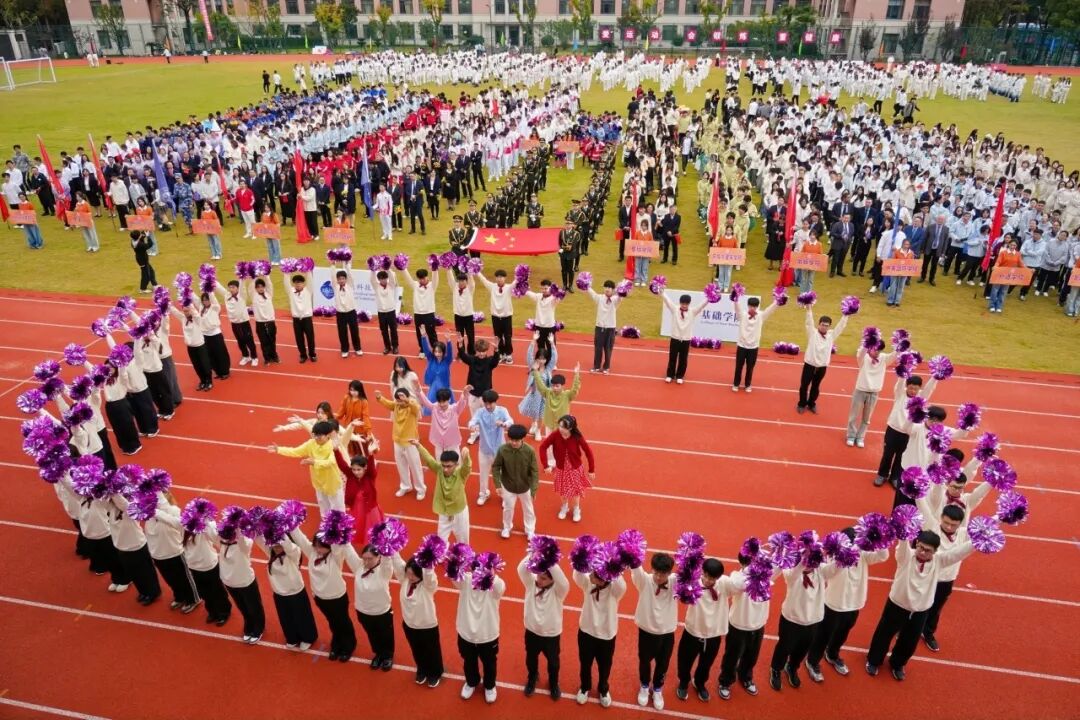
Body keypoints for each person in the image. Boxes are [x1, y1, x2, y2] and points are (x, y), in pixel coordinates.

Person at [865, 530, 974, 681]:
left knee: (910, 640)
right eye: (920, 547)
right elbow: (902, 543)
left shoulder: (939, 561)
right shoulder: (905, 557)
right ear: (916, 544)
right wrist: (903, 530)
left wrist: (978, 540)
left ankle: (898, 664)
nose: (922, 552)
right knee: (884, 634)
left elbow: (959, 553)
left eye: (927, 550)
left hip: (921, 610)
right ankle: (874, 660)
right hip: (897, 605)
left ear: (935, 551)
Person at [806, 528, 890, 678]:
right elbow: (828, 574)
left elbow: (883, 556)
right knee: (823, 635)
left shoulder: (863, 554)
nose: (852, 549)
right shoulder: (833, 557)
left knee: (842, 634)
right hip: (833, 604)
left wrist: (878, 539)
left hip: (854, 604)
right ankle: (812, 661)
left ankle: (832, 655)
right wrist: (842, 559)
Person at [769, 551, 838, 691]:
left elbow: (835, 569)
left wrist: (844, 554)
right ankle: (776, 669)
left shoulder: (821, 570)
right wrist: (804, 559)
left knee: (803, 649)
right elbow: (793, 574)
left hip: (813, 620)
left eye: (812, 561)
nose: (810, 565)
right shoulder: (792, 571)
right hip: (791, 619)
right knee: (784, 647)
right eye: (808, 561)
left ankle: (792, 667)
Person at [675, 558, 737, 702]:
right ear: (702, 572)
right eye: (706, 576)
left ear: (719, 577)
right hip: (693, 631)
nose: (708, 581)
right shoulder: (692, 582)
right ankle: (683, 682)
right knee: (685, 660)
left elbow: (741, 584)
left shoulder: (724, 583)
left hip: (713, 634)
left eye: (713, 578)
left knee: (706, 663)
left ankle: (700, 683)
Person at [718, 551, 776, 699]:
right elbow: (740, 585)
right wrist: (753, 570)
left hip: (758, 625)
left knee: (751, 656)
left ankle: (745, 677)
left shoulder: (765, 574)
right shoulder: (737, 577)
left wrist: (781, 550)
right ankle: (725, 681)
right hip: (739, 626)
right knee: (732, 657)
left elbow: (779, 566)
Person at [254, 530, 319, 651]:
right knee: (285, 617)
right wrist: (253, 526)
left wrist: (280, 530)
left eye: (279, 545)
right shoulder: (271, 552)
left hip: (296, 592)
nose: (277, 548)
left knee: (302, 616)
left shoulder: (294, 554)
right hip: (279, 593)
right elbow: (258, 539)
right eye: (274, 545)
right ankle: (292, 637)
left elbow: (289, 546)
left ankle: (308, 638)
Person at [573, 561, 626, 708]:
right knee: (585, 664)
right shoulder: (587, 583)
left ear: (603, 579)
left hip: (607, 636)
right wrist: (586, 557)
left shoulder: (615, 590)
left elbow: (621, 583)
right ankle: (585, 687)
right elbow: (577, 573)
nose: (590, 575)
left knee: (605, 667)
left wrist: (612, 565)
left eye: (594, 575)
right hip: (586, 632)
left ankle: (603, 689)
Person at [453, 555, 506, 703]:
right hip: (466, 633)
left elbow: (500, 588)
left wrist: (491, 574)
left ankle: (489, 686)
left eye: (483, 570)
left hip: (488, 635)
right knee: (469, 661)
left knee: (489, 664)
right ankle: (471, 682)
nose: (479, 574)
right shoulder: (465, 581)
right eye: (476, 570)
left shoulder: (495, 586)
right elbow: (454, 575)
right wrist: (456, 559)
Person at [518, 550, 569, 701]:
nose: (539, 580)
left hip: (551, 635)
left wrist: (549, 558)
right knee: (531, 659)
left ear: (553, 580)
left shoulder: (559, 591)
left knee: (553, 663)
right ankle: (532, 677)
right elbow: (521, 569)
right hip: (531, 631)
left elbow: (563, 580)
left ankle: (553, 683)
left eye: (544, 578)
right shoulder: (531, 584)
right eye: (538, 575)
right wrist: (535, 552)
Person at [266, 421, 345, 516]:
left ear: (328, 435)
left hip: (332, 484)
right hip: (319, 484)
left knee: (338, 512)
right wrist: (279, 449)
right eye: (315, 435)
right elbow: (295, 451)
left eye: (319, 436)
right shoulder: (311, 444)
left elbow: (330, 462)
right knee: (324, 511)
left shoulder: (333, 446)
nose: (316, 438)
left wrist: (314, 462)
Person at [873, 372, 936, 487]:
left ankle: (895, 477)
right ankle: (882, 474)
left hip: (908, 433)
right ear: (907, 386)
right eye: (911, 388)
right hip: (893, 429)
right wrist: (904, 370)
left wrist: (935, 377)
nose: (913, 391)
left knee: (901, 456)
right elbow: (900, 383)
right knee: (888, 454)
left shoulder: (921, 398)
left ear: (920, 388)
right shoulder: (900, 394)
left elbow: (929, 389)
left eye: (916, 389)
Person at [632, 553, 678, 711]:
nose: (658, 577)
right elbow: (636, 567)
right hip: (646, 632)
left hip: (667, 633)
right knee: (644, 661)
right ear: (651, 569)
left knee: (663, 664)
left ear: (670, 573)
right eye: (656, 572)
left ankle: (657, 688)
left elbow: (690, 573)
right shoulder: (644, 580)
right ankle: (644, 685)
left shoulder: (676, 582)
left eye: (663, 574)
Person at [211, 513, 266, 644]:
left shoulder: (245, 543)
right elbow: (210, 532)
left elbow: (242, 541)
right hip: (229, 582)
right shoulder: (222, 542)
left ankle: (259, 627)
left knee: (254, 607)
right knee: (242, 607)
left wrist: (238, 526)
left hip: (245, 581)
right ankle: (248, 624)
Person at [394, 554, 443, 687]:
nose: (410, 577)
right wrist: (392, 549)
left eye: (414, 574)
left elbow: (430, 577)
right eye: (408, 573)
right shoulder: (404, 580)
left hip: (427, 626)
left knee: (432, 651)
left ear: (421, 574)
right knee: (416, 649)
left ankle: (435, 672)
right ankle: (422, 668)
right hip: (409, 625)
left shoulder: (428, 586)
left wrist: (428, 565)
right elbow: (397, 562)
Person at [538, 414, 595, 523]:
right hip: (561, 468)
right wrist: (545, 465)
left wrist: (591, 469)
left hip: (575, 469)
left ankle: (576, 509)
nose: (560, 429)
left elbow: (588, 452)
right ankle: (565, 506)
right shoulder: (555, 435)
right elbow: (543, 447)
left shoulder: (577, 437)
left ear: (570, 428)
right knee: (563, 491)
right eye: (559, 426)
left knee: (576, 491)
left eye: (563, 427)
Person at [353, 543, 399, 670]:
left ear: (379, 557)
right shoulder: (358, 566)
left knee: (386, 635)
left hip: (381, 612)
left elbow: (387, 561)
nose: (366, 562)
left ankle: (388, 656)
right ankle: (378, 654)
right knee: (372, 635)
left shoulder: (384, 571)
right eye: (364, 558)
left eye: (370, 558)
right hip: (363, 611)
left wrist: (386, 547)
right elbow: (347, 549)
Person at [414, 441, 471, 543]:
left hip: (459, 513)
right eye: (443, 465)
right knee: (440, 542)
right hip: (444, 512)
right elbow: (429, 459)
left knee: (463, 542)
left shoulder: (461, 474)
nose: (445, 469)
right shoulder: (439, 470)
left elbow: (467, 467)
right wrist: (418, 445)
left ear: (456, 465)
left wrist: (466, 457)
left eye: (449, 466)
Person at [796, 306, 849, 414]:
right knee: (804, 385)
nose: (824, 327)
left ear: (829, 327)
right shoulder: (812, 333)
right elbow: (809, 322)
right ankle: (801, 404)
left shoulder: (831, 336)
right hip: (809, 365)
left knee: (816, 386)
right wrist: (809, 309)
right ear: (818, 324)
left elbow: (840, 327)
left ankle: (811, 403)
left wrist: (846, 315)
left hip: (822, 367)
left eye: (826, 326)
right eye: (822, 325)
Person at [376, 388, 425, 500]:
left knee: (415, 466)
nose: (400, 402)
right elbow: (388, 404)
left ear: (407, 398)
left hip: (410, 442)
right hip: (397, 441)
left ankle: (420, 489)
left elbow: (417, 408)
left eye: (402, 400)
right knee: (401, 465)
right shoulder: (396, 405)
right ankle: (406, 486)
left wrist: (406, 401)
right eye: (398, 400)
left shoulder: (412, 406)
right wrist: (379, 397)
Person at [493, 424, 540, 540]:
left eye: (516, 440)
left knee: (529, 509)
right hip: (508, 486)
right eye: (511, 440)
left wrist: (534, 489)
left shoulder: (529, 451)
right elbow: (496, 467)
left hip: (525, 487)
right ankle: (507, 527)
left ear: (523, 438)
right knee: (508, 508)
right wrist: (498, 485)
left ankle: (530, 530)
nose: (513, 443)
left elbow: (534, 470)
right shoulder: (502, 450)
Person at [467, 389, 513, 508]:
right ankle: (483, 494)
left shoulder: (502, 411)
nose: (487, 406)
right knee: (483, 474)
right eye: (486, 403)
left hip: (500, 450)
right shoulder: (480, 412)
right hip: (484, 449)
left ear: (495, 401)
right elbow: (472, 421)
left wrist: (503, 424)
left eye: (490, 403)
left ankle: (504, 495)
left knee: (502, 474)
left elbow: (510, 421)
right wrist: (472, 426)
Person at [847, 338, 894, 447]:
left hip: (874, 393)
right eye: (875, 349)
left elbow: (894, 355)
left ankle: (860, 437)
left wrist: (901, 344)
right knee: (854, 415)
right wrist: (868, 341)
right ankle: (851, 435)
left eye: (879, 350)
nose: (877, 352)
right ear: (870, 347)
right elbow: (861, 353)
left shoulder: (884, 358)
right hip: (860, 390)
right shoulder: (863, 358)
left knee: (866, 418)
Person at [456, 336, 501, 445]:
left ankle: (488, 433)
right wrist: (460, 344)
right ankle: (475, 433)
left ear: (487, 350)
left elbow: (495, 361)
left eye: (484, 351)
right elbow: (463, 356)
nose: (481, 353)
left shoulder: (489, 361)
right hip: (473, 393)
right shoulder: (472, 360)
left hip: (486, 394)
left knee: (488, 414)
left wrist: (496, 350)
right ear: (476, 351)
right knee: (474, 414)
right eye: (479, 351)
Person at [732, 295, 779, 392]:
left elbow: (770, 310)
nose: (752, 308)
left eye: (754, 306)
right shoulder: (742, 315)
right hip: (742, 346)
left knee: (750, 368)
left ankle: (748, 384)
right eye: (750, 306)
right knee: (739, 367)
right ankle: (736, 384)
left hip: (753, 347)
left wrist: (777, 301)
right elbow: (737, 307)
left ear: (757, 307)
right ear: (748, 306)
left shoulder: (761, 316)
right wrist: (735, 299)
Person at [659, 292, 709, 384]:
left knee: (683, 359)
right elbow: (667, 300)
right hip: (675, 338)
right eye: (683, 303)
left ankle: (680, 376)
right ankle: (670, 375)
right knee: (672, 357)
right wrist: (661, 291)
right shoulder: (675, 309)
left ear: (689, 304)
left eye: (686, 304)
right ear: (680, 303)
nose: (684, 306)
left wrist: (709, 298)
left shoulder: (692, 312)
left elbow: (701, 306)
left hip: (686, 339)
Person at [519, 339, 557, 440]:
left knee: (542, 414)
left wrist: (552, 344)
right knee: (534, 411)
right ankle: (533, 424)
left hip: (545, 395)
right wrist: (533, 341)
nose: (541, 361)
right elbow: (528, 355)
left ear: (546, 359)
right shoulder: (533, 366)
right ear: (537, 358)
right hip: (534, 393)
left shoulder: (548, 369)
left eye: (543, 359)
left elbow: (554, 358)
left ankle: (538, 430)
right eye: (539, 358)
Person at [477, 269, 515, 363]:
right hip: (495, 317)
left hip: (506, 317)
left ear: (505, 278)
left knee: (508, 337)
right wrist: (477, 271)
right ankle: (500, 353)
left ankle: (508, 354)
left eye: (501, 277)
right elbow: (483, 280)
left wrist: (521, 274)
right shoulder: (492, 287)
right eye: (497, 277)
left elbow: (516, 281)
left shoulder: (509, 288)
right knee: (498, 337)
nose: (499, 279)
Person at [586, 279, 622, 373]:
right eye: (606, 287)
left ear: (613, 289)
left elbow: (621, 295)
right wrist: (586, 285)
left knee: (608, 348)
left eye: (609, 287)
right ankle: (596, 366)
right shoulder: (599, 298)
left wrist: (623, 287)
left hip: (610, 328)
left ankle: (606, 367)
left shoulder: (615, 299)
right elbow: (592, 293)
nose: (607, 289)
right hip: (599, 327)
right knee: (598, 348)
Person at [332, 262, 363, 358]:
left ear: (346, 279)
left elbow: (350, 274)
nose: (341, 280)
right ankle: (344, 349)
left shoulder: (350, 285)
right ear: (337, 280)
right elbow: (332, 275)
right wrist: (333, 264)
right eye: (339, 279)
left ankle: (357, 348)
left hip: (351, 312)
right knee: (342, 332)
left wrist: (348, 264)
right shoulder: (335, 287)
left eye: (343, 278)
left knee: (354, 331)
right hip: (340, 314)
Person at [285, 269, 317, 363]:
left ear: (303, 283)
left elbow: (310, 280)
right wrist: (286, 272)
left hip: (307, 319)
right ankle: (303, 355)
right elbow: (286, 283)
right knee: (299, 339)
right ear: (294, 284)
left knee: (310, 338)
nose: (298, 284)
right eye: (296, 283)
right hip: (296, 320)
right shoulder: (291, 292)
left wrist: (308, 270)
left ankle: (312, 354)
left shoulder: (308, 290)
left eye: (300, 283)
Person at [524, 280, 561, 355]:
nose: (543, 290)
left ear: (550, 288)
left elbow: (559, 298)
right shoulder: (538, 296)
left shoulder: (553, 298)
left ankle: (551, 360)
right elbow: (527, 292)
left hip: (549, 327)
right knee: (540, 346)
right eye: (542, 288)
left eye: (546, 288)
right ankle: (541, 360)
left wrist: (558, 293)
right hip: (539, 326)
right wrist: (522, 285)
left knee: (551, 346)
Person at [419, 336, 454, 416]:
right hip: (433, 386)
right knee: (430, 404)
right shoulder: (431, 358)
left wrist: (448, 341)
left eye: (440, 352)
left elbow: (450, 352)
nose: (437, 354)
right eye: (435, 352)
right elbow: (426, 349)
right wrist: (423, 337)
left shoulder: (447, 360)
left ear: (443, 352)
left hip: (445, 386)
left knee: (447, 408)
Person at [247, 275, 279, 364]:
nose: (260, 288)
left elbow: (269, 284)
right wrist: (255, 276)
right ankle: (267, 358)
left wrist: (266, 275)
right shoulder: (254, 296)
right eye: (258, 287)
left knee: (272, 340)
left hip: (270, 322)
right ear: (256, 288)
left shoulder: (269, 294)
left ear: (264, 287)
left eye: (262, 286)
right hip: (260, 323)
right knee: (263, 342)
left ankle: (274, 356)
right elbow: (250, 287)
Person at [989, 236, 1024, 313]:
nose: (1012, 246)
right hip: (1000, 274)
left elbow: (1021, 264)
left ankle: (999, 306)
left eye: (1014, 245)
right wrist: (996, 266)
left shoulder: (1018, 254)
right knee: (995, 290)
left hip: (1009, 276)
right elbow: (998, 261)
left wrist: (1028, 270)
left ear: (1016, 246)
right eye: (1011, 245)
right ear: (1009, 244)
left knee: (1003, 291)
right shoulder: (1003, 252)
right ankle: (992, 305)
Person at [408, 268, 439, 354]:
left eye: (423, 278)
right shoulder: (415, 285)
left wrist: (435, 268)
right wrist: (403, 268)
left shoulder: (432, 285)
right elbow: (407, 278)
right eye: (420, 279)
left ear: (427, 277)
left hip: (429, 313)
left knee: (431, 333)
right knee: (419, 333)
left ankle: (436, 349)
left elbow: (435, 277)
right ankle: (422, 349)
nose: (422, 280)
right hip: (418, 314)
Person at [449, 270, 477, 355]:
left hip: (468, 316)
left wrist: (469, 271)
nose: (461, 283)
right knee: (459, 335)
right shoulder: (455, 288)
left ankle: (471, 352)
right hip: (458, 316)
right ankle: (461, 352)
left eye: (463, 281)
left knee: (470, 335)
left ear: (466, 281)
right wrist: (448, 269)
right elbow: (450, 279)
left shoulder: (470, 288)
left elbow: (472, 282)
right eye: (459, 281)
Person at [371, 269, 400, 354]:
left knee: (393, 330)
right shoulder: (376, 286)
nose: (383, 280)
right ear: (378, 279)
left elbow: (392, 278)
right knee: (384, 331)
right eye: (381, 279)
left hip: (391, 311)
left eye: (384, 278)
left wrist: (388, 268)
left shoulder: (391, 285)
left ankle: (395, 346)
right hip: (381, 312)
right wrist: (372, 270)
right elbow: (372, 279)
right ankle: (387, 347)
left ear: (387, 278)